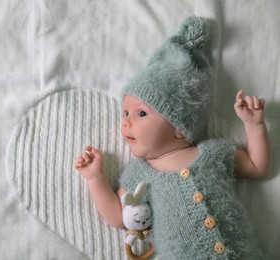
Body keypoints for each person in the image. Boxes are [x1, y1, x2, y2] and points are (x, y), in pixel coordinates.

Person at [74, 16, 271, 259]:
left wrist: (254, 125)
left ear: (179, 125)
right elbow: (117, 216)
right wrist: (95, 178)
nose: (126, 121)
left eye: (141, 113)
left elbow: (257, 166)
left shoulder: (213, 153)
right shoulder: (140, 176)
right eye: (125, 112)